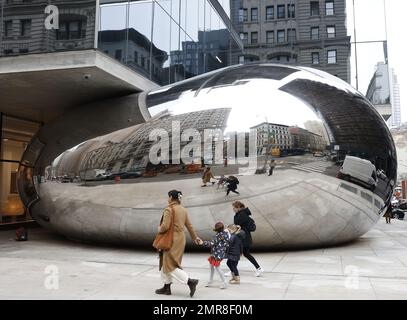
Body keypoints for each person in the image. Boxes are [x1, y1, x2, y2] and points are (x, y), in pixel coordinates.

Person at [155, 190, 201, 297]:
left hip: (170, 239)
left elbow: (165, 226)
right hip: (180, 239)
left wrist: (159, 229)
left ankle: (190, 281)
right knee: (166, 262)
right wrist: (195, 237)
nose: (168, 199)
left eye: (168, 197)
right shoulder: (183, 209)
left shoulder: (169, 209)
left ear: (171, 197)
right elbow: (189, 225)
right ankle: (166, 288)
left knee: (170, 264)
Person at [227, 201, 264, 277]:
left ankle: (233, 271)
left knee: (236, 254)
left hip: (243, 238)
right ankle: (259, 268)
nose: (233, 209)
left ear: (238, 207)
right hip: (244, 238)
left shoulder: (241, 215)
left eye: (234, 207)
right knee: (245, 254)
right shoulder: (241, 214)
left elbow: (237, 226)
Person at [197, 221, 230, 289]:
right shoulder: (226, 234)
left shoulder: (218, 236)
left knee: (217, 268)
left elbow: (211, 243)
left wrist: (202, 242)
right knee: (211, 267)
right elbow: (227, 244)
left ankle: (224, 282)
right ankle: (210, 281)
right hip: (218, 253)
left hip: (217, 254)